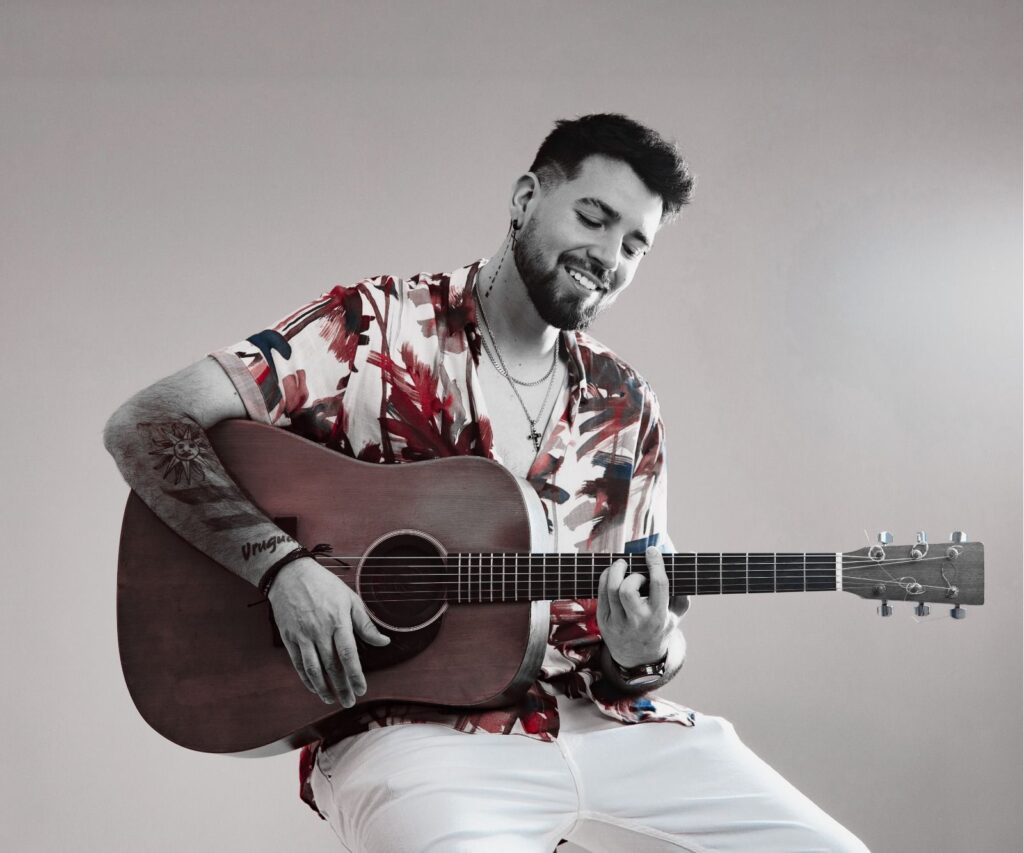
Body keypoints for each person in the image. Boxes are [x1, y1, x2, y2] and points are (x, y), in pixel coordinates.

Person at [104, 114, 868, 852]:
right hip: (414, 741)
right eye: (594, 217)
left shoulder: (625, 404)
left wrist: (643, 649)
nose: (610, 255)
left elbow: (639, 643)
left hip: (603, 727)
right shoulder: (375, 327)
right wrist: (282, 568)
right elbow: (147, 423)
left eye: (635, 244)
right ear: (526, 198)